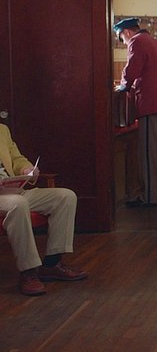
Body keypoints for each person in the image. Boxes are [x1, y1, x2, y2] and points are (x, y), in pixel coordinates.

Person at [0, 124, 88, 296]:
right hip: (10, 199)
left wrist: (26, 169)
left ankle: (52, 264)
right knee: (18, 204)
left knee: (65, 196)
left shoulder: (2, 129)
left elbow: (16, 158)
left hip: (13, 189)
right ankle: (28, 271)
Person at [114, 17, 157, 207]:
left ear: (127, 32)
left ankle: (150, 197)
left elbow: (131, 69)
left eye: (121, 38)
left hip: (150, 103)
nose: (123, 42)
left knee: (149, 153)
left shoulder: (137, 42)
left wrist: (123, 86)